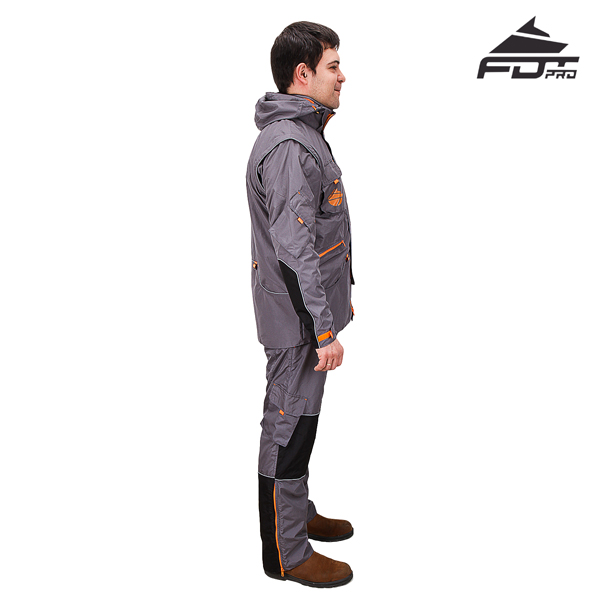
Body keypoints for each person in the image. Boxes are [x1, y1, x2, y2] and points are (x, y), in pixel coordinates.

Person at [246, 21, 355, 588]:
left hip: (304, 318)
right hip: (298, 325)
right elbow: (294, 251)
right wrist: (321, 329)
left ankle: (297, 514)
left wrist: (333, 310)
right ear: (302, 74)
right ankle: (286, 553)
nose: (343, 76)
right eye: (333, 66)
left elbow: (316, 236)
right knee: (287, 429)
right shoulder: (290, 145)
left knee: (300, 423)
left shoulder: (302, 133)